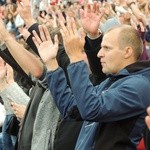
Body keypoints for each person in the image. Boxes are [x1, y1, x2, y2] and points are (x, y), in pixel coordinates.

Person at [31, 2, 150, 150]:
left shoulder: (139, 86)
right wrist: (51, 64)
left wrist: (75, 57)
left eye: (106, 48)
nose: (99, 53)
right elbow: (71, 109)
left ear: (127, 52)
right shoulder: (113, 80)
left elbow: (91, 109)